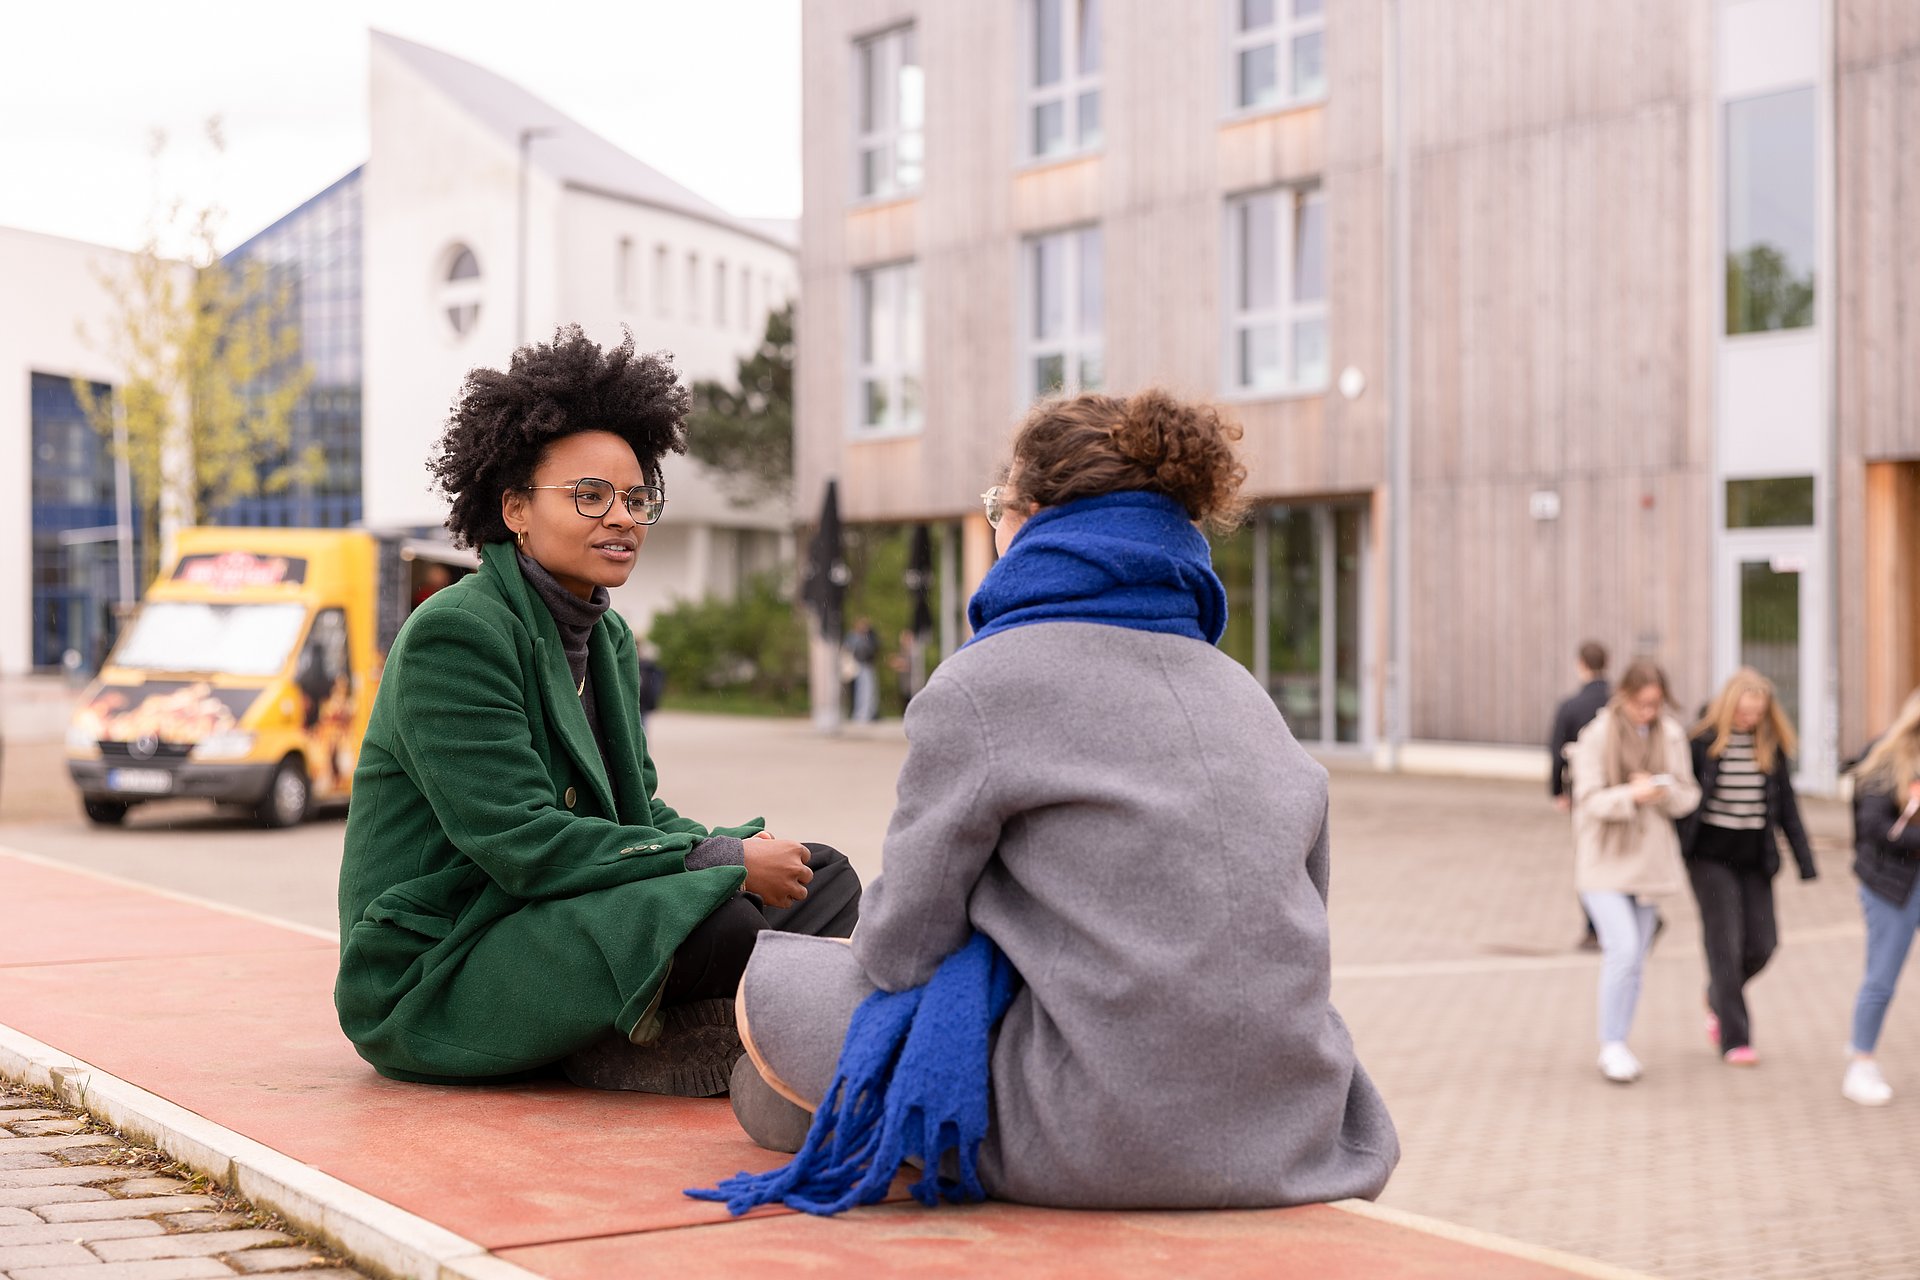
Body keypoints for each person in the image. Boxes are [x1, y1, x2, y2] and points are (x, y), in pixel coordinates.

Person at [722, 389, 1398, 1209]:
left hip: (1102, 1129)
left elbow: (901, 949)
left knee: (782, 1007)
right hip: (1292, 1126)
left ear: (1027, 518)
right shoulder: (1248, 698)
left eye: (994, 509)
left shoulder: (983, 682)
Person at [334, 326, 860, 1096]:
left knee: (826, 879)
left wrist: (734, 847)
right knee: (718, 920)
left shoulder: (606, 637)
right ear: (514, 507)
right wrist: (719, 865)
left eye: (637, 498)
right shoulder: (456, 633)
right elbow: (524, 844)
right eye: (590, 495)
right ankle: (673, 1027)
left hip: (556, 918)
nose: (622, 517)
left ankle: (658, 1029)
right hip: (448, 962)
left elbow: (636, 812)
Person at [1570, 658, 1701, 1084]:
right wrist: (1633, 793)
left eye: (1656, 704)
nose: (1649, 712)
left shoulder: (1672, 733)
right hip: (1604, 860)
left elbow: (1687, 796)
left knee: (1636, 961)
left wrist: (1660, 792)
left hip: (1649, 863)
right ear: (1625, 696)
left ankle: (1621, 1041)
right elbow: (1589, 800)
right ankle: (1610, 1044)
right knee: (1622, 950)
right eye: (1642, 704)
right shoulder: (1597, 735)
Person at [1678, 668, 1816, 1067]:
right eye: (1743, 711)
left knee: (1763, 945)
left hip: (1755, 858)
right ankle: (1735, 1039)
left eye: (1757, 712)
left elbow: (1787, 807)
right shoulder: (1701, 743)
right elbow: (1682, 799)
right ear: (1728, 706)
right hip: (1709, 857)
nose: (1749, 719)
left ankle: (1716, 994)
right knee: (1725, 945)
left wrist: (1805, 860)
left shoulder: (1770, 747)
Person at [1842, 687, 1920, 1106]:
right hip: (1891, 883)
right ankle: (1861, 1062)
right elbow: (1872, 826)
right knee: (1882, 978)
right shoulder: (1888, 757)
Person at [1550, 641, 1613, 949]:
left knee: (1589, 857)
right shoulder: (1619, 704)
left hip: (1586, 794)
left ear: (1581, 664)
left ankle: (1594, 927)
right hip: (1621, 791)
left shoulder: (1571, 706)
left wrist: (1558, 791)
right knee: (1617, 855)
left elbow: (1556, 753)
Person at [845, 618, 879, 722]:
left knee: (869, 691)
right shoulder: (854, 637)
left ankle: (868, 713)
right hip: (859, 666)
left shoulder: (869, 637)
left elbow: (875, 646)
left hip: (868, 666)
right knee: (861, 691)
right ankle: (861, 714)